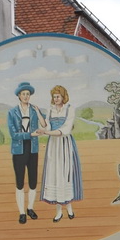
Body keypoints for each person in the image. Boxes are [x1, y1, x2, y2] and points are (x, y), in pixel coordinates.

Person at [39, 84, 81, 221]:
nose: (55, 99)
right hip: (53, 146)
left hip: (65, 145)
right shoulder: (50, 110)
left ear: (63, 97)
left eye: (58, 96)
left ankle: (69, 208)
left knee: (65, 174)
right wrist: (41, 122)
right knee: (54, 175)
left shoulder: (70, 109)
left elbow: (66, 129)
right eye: (54, 96)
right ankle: (59, 211)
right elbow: (47, 125)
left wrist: (47, 132)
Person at [7, 82, 46, 225]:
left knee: (33, 180)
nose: (25, 96)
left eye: (28, 94)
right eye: (23, 94)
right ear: (18, 95)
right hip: (18, 150)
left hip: (33, 149)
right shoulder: (12, 112)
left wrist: (39, 113)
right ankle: (22, 212)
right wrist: (30, 134)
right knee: (19, 182)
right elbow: (13, 134)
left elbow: (45, 124)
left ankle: (30, 208)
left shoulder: (34, 110)